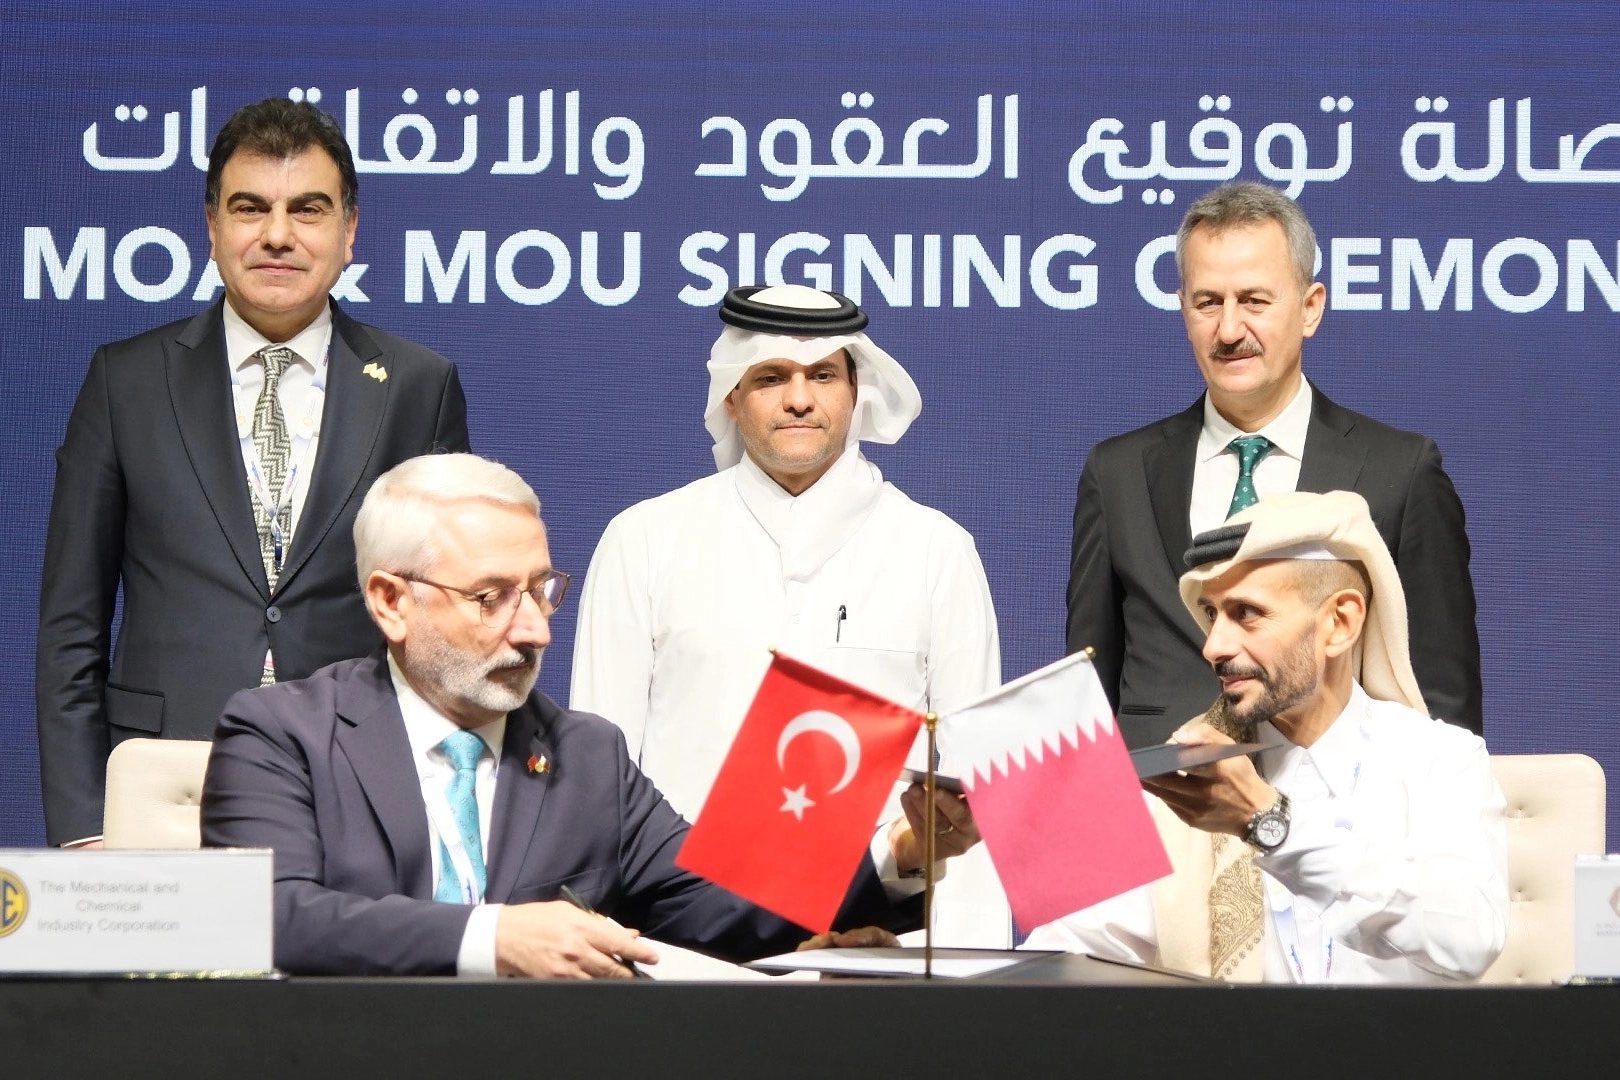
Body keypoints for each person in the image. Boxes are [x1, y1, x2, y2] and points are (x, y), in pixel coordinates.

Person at [200, 454, 955, 977]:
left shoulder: (586, 755)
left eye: (541, 589)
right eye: (491, 597)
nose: (534, 629)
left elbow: (718, 905)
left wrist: (898, 852)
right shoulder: (283, 734)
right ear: (391, 602)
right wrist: (495, 937)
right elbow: (268, 916)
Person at [36, 97, 470, 847]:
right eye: (249, 208)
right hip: (163, 791)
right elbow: (72, 627)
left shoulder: (416, 387)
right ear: (212, 228)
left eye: (308, 209)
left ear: (349, 232)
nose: (277, 234)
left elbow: (442, 623)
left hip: (360, 787)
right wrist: (82, 829)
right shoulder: (125, 382)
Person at [570, 284, 1006, 944]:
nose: (799, 399)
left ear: (857, 391)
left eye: (822, 375)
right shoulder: (644, 540)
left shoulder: (936, 550)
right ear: (731, 396)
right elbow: (600, 781)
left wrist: (966, 973)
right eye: (771, 377)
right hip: (681, 948)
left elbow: (974, 787)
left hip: (876, 952)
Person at [1028, 489, 1508, 983]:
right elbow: (1062, 958)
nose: (1213, 646)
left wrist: (1268, 822)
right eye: (1211, 614)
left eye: (1247, 613)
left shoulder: (1440, 760)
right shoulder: (1179, 778)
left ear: (1340, 623)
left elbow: (1470, 941)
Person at [1066, 182, 1482, 748]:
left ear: (1310, 308)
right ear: (1183, 308)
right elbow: (1084, 696)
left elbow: (1444, 711)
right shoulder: (1116, 473)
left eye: (1254, 301)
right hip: (1161, 793)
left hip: (1337, 796)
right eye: (1207, 302)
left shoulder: (1401, 472)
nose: (1229, 330)